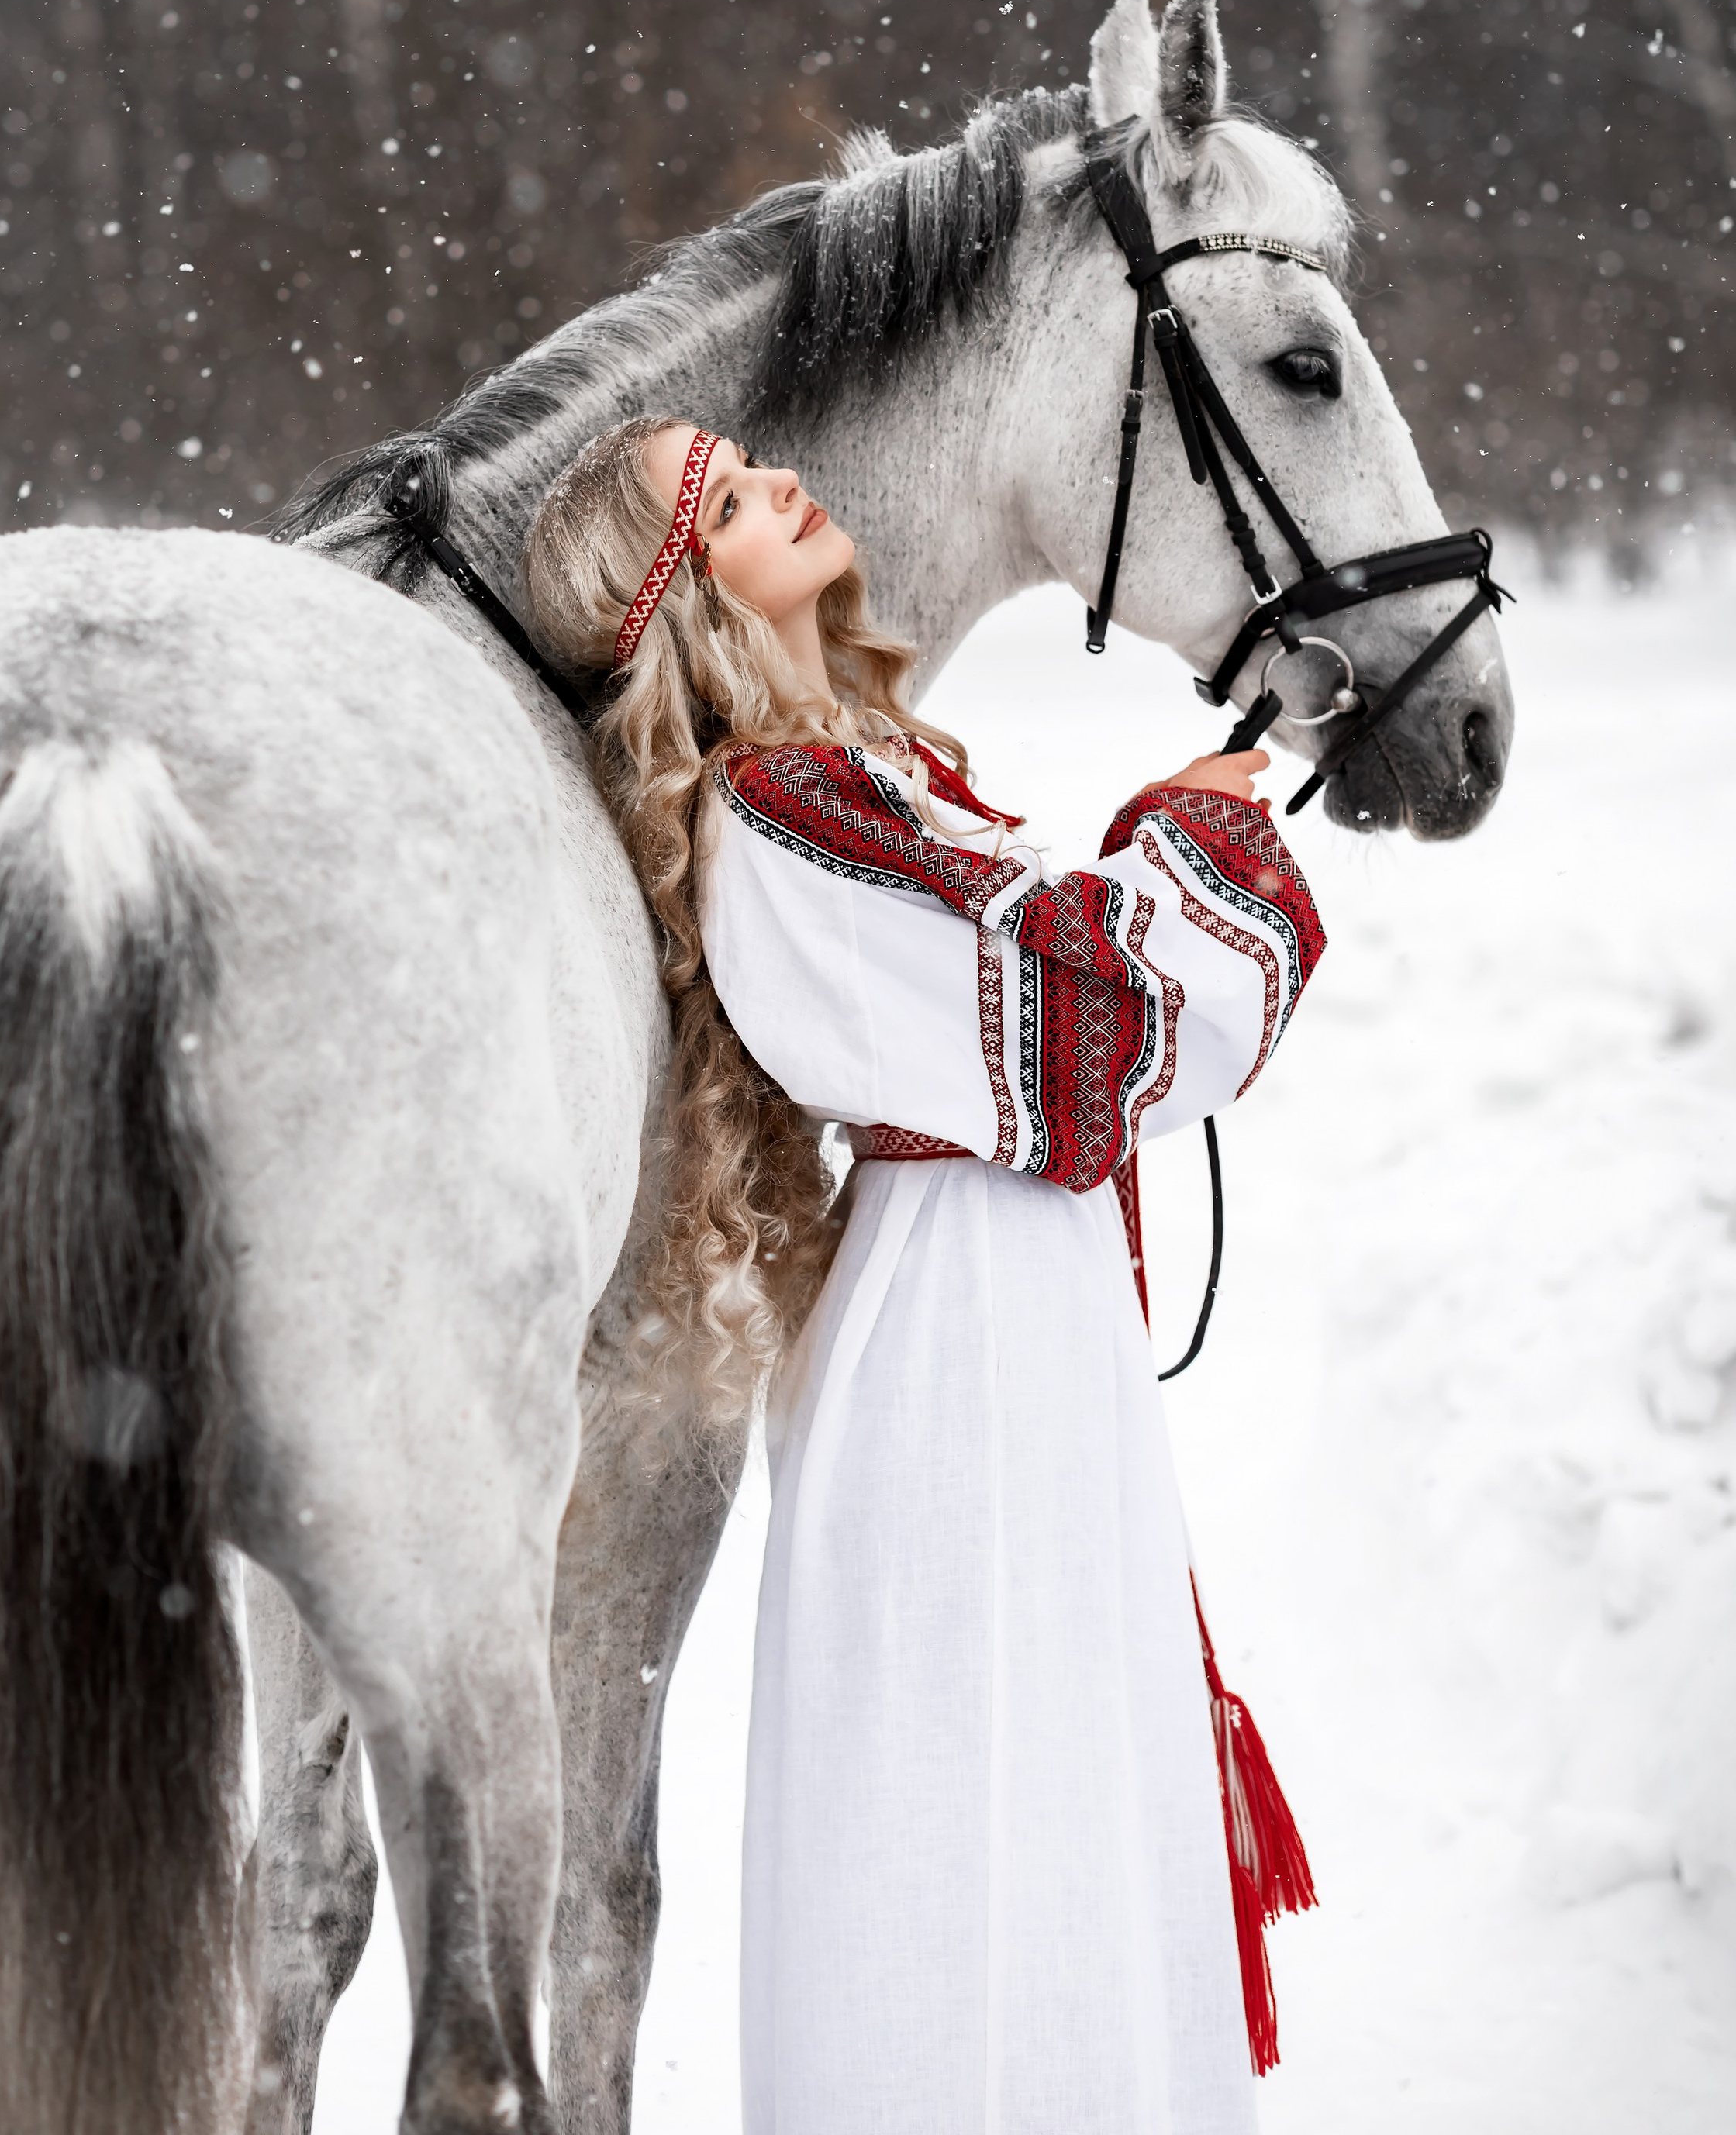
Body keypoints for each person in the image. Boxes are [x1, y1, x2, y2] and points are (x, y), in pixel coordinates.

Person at [522, 416, 1326, 2135]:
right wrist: (1191, 845)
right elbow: (1093, 1027)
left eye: (750, 460)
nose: (780, 486)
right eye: (725, 503)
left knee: (1047, 1756)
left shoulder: (869, 773)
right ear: (677, 601)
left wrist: (1148, 848)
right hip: (955, 1328)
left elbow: (1051, 972)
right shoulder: (778, 806)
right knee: (974, 1770)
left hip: (1006, 1298)